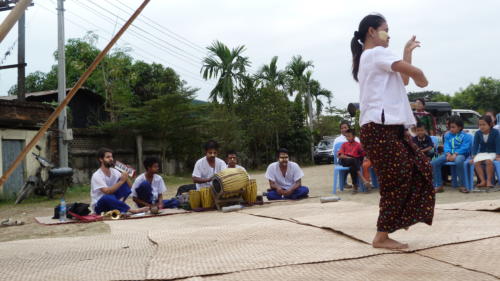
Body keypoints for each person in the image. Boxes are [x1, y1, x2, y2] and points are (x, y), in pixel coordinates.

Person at [351, 13, 435, 249]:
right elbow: (414, 77)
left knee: (421, 166)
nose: (389, 35)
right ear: (371, 32)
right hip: (379, 129)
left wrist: (407, 53)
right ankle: (382, 236)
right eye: (386, 30)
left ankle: (401, 217)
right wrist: (421, 77)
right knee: (395, 180)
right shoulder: (376, 53)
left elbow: (403, 81)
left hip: (389, 129)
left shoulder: (371, 57)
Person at [90, 148, 149, 215]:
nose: (111, 159)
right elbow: (107, 191)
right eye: (108, 157)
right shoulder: (97, 175)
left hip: (112, 200)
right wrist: (121, 181)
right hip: (100, 205)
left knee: (124, 185)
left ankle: (119, 206)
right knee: (107, 197)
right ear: (101, 159)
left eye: (111, 157)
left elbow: (130, 187)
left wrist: (126, 175)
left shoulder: (114, 171)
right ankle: (133, 211)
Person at [431, 116, 472, 193]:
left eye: (453, 127)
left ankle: (462, 185)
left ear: (460, 127)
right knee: (434, 163)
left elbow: (465, 147)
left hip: (460, 154)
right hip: (448, 154)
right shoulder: (448, 135)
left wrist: (456, 154)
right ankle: (439, 185)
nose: (451, 129)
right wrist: (448, 153)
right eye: (450, 127)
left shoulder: (466, 136)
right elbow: (446, 145)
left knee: (459, 161)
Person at [470, 115, 500, 189]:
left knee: (488, 161)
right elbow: (475, 145)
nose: (482, 127)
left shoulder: (495, 132)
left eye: (484, 124)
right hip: (482, 152)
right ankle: (483, 181)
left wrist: (498, 155)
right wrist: (473, 155)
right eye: (480, 125)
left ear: (490, 124)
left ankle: (489, 181)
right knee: (476, 162)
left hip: (492, 152)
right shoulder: (478, 133)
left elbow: (498, 144)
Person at [338, 129, 367, 194]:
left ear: (354, 137)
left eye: (349, 136)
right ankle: (363, 179)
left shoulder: (358, 145)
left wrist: (364, 155)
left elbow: (363, 154)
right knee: (353, 161)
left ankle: (355, 186)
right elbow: (340, 155)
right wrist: (348, 157)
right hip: (345, 160)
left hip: (355, 161)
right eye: (346, 136)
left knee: (352, 166)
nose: (347, 138)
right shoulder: (344, 144)